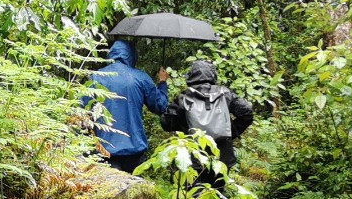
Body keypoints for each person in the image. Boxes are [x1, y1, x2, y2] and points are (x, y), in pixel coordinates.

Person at [86, 39, 169, 172]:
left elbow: (83, 113)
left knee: (109, 190)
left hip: (104, 149)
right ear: (132, 56)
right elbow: (160, 106)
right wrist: (162, 83)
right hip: (134, 150)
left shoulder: (96, 77)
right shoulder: (140, 77)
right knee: (132, 189)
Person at [163, 57, 256, 173]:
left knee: (194, 190)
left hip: (193, 159)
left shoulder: (184, 97)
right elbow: (247, 113)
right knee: (218, 189)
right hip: (222, 157)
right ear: (213, 75)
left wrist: (184, 127)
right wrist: (229, 132)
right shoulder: (225, 94)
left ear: (191, 76)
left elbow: (166, 123)